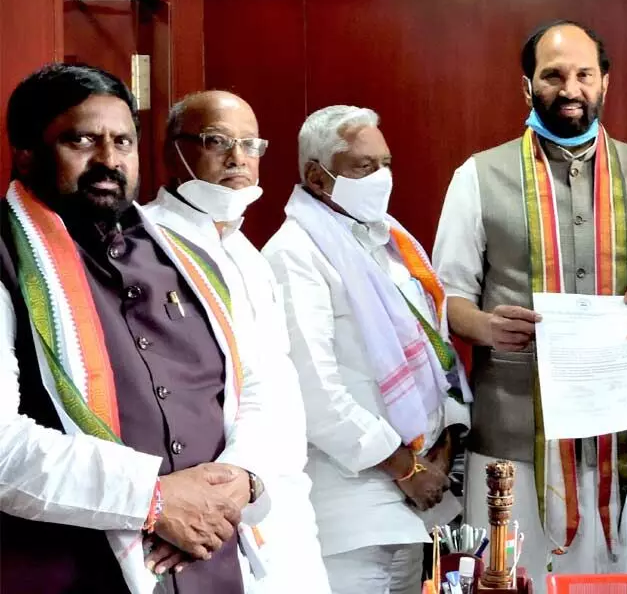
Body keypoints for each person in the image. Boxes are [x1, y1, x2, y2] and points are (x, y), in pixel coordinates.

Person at [431, 19, 627, 583]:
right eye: (553, 75)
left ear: (604, 82)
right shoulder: (478, 176)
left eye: (584, 74)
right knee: (515, 583)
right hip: (512, 443)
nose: (570, 88)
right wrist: (484, 328)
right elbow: (447, 300)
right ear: (528, 86)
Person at [0, 63, 275, 594]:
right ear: (26, 152)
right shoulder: (8, 258)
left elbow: (256, 392)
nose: (108, 160)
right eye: (82, 140)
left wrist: (240, 479)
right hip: (70, 570)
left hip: (209, 565)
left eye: (123, 141)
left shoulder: (189, 257)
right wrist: (154, 499)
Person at [263, 105, 470, 594]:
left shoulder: (391, 244)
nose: (382, 178)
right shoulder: (294, 254)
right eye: (363, 167)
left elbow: (435, 351)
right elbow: (315, 394)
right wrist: (405, 468)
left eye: (387, 163)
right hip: (349, 505)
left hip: (415, 501)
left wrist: (440, 450)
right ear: (317, 175)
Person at [142, 90, 330, 594]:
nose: (237, 158)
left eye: (251, 145)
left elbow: (273, 384)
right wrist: (225, 489)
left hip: (271, 492)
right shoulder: (144, 243)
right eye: (217, 141)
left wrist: (249, 476)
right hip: (197, 502)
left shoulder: (248, 252)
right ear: (173, 151)